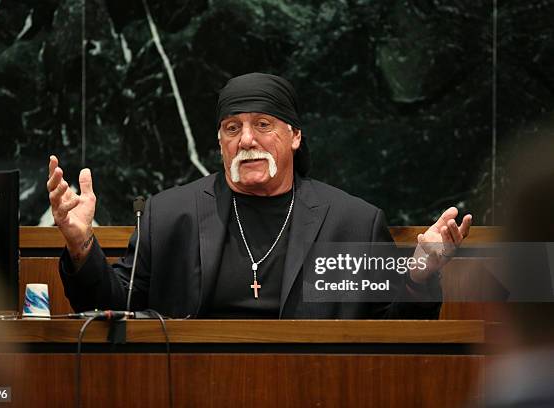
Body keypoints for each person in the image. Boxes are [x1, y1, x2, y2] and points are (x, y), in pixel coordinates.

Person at [47, 72, 472, 318]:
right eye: (233, 128)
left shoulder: (351, 221)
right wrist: (81, 244)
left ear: (295, 137)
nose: (247, 139)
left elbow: (391, 334)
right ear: (219, 142)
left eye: (264, 125)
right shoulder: (170, 214)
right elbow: (112, 310)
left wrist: (419, 275)